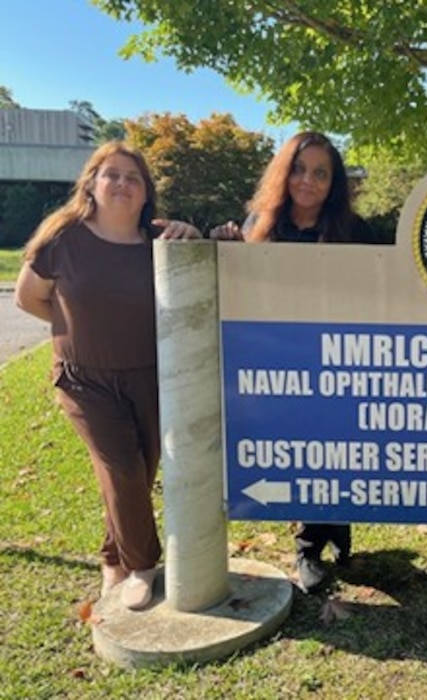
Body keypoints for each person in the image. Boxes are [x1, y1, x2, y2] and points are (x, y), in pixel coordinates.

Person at [14, 141, 202, 611]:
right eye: (111, 174)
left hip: (150, 376)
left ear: (146, 193)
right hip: (84, 380)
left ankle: (112, 558)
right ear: (92, 185)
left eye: (133, 177)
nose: (122, 184)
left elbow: (194, 278)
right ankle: (141, 566)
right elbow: (28, 297)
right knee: (122, 468)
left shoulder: (161, 241)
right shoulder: (62, 238)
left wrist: (192, 233)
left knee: (135, 474)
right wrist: (76, 327)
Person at [211, 130, 385, 592]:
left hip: (342, 359)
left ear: (333, 183)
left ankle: (339, 527)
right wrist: (228, 245)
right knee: (305, 451)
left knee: (342, 448)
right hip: (281, 362)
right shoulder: (258, 226)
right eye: (299, 169)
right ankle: (308, 547)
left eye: (320, 173)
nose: (308, 181)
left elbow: (378, 293)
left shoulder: (355, 231)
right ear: (283, 173)